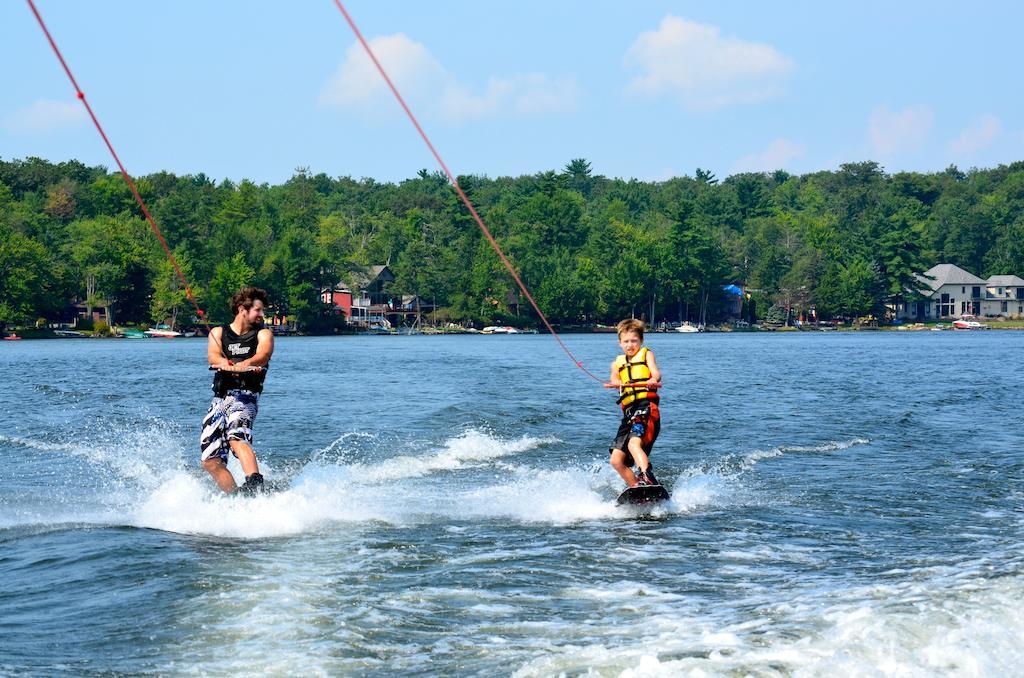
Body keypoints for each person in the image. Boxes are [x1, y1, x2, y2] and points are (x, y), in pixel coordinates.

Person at [200, 286, 274, 495]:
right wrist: (225, 363)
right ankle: (236, 500)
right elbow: (213, 357)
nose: (261, 315)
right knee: (210, 460)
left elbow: (263, 354)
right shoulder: (218, 333)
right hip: (219, 400)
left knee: (236, 436)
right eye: (258, 310)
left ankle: (255, 484)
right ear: (243, 309)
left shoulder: (263, 334)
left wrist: (247, 363)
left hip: (245, 398)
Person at [608, 318, 662, 488]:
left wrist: (653, 380)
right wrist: (616, 382)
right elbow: (614, 378)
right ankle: (636, 488)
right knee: (616, 460)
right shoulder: (617, 363)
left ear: (641, 341)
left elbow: (656, 373)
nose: (630, 345)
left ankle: (648, 478)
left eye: (634, 341)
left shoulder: (647, 354)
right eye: (626, 341)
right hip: (629, 414)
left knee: (633, 443)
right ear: (619, 343)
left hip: (646, 408)